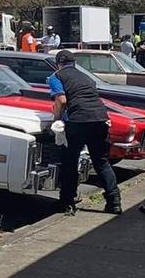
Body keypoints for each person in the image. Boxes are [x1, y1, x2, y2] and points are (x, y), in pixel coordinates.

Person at [48, 50, 122, 215]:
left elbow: (61, 100)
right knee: (101, 162)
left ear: (58, 64)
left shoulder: (56, 77)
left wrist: (56, 120)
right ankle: (114, 202)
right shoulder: (86, 77)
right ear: (74, 63)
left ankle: (67, 202)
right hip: (100, 118)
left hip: (78, 120)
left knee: (70, 162)